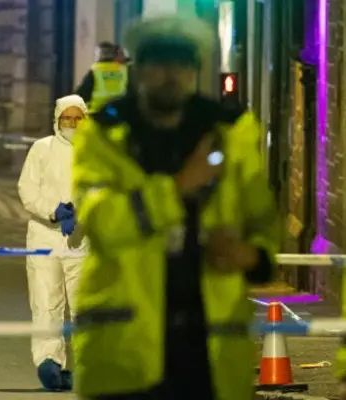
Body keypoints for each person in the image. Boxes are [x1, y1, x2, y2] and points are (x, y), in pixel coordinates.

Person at [70, 15, 278, 400]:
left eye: (183, 64)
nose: (172, 74)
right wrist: (181, 185)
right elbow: (103, 223)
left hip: (209, 359)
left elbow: (262, 222)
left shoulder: (230, 132)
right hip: (125, 359)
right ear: (140, 69)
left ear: (195, 71)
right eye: (160, 63)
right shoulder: (104, 136)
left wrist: (250, 255)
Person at [18, 94, 88, 392]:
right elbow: (27, 189)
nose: (71, 124)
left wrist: (80, 212)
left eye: (77, 118)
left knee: (83, 307)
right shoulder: (41, 149)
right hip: (44, 238)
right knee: (46, 302)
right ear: (57, 120)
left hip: (82, 241)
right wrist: (54, 210)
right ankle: (49, 362)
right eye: (66, 119)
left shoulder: (97, 153)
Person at [75, 42, 130, 112]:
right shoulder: (124, 71)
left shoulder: (95, 71)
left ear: (98, 55)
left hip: (97, 117)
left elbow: (80, 96)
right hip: (121, 117)